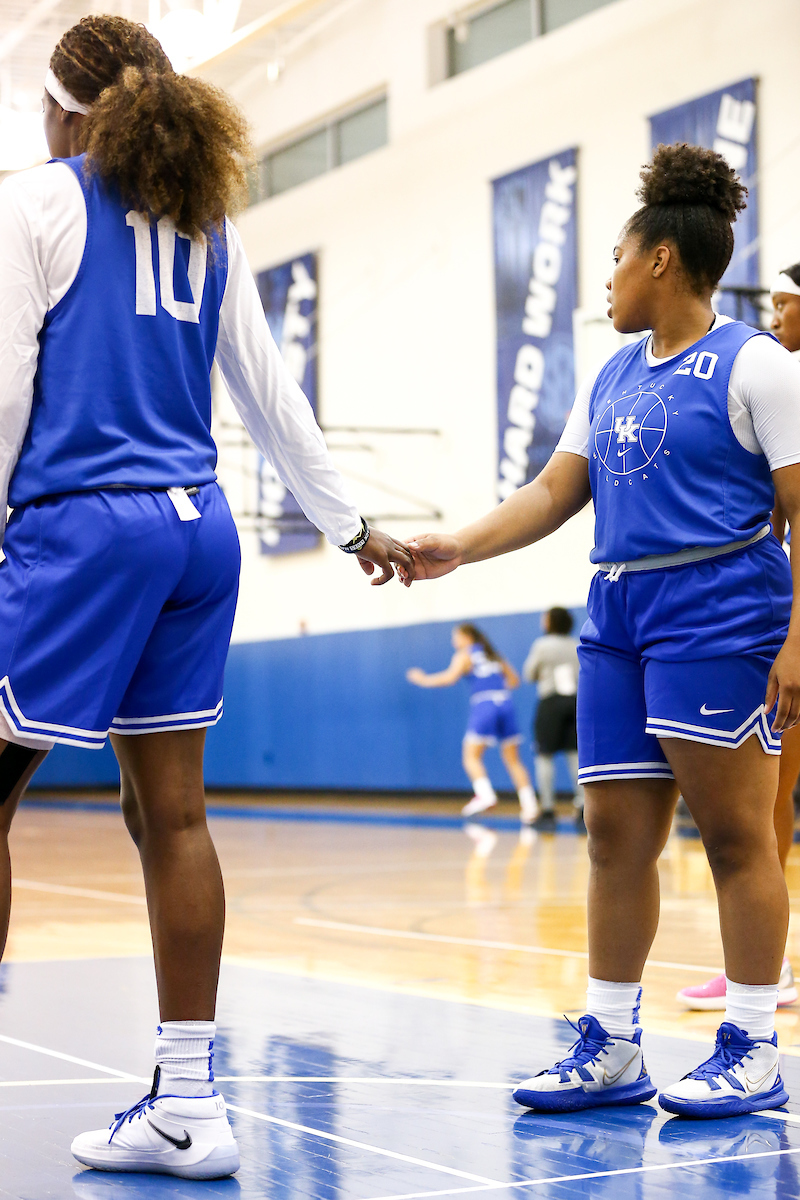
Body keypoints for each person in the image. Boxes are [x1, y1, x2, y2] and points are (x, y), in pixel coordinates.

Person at [0, 16, 412, 1180]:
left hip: (85, 528)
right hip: (200, 533)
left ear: (62, 108)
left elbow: (7, 393)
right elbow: (274, 401)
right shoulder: (204, 224)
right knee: (171, 816)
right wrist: (351, 526)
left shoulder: (35, 203)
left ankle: (179, 1105)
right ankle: (189, 1103)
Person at [406, 142, 800, 1118]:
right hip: (615, 613)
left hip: (719, 609)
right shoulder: (611, 374)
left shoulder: (756, 363)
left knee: (736, 838)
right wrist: (455, 544)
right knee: (611, 837)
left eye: (617, 258)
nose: (609, 279)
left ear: (659, 259)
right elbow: (551, 492)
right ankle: (612, 1042)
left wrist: (797, 641)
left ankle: (750, 1043)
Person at [676, 263, 800, 1013]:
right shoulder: (776, 382)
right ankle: (768, 961)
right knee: (766, 801)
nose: (780, 306)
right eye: (780, 296)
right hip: (775, 614)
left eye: (794, 298)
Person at [407, 623, 538, 822]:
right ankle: (529, 806)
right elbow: (514, 681)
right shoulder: (493, 654)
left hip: (484, 703)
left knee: (471, 756)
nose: (453, 642)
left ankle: (485, 794)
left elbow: (450, 678)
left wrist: (423, 679)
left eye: (456, 637)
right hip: (505, 703)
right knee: (513, 760)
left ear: (467, 637)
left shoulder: (464, 655)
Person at [522, 607, 584, 830]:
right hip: (575, 701)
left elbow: (529, 674)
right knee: (575, 754)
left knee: (544, 755)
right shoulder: (576, 643)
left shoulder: (542, 645)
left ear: (549, 622)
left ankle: (548, 810)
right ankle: (583, 808)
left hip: (551, 703)